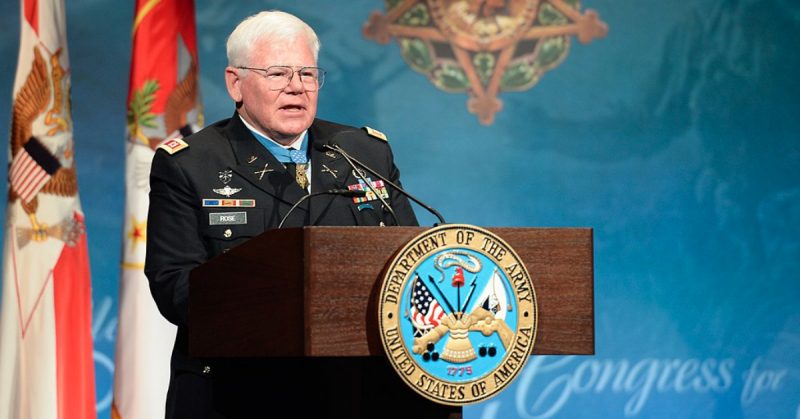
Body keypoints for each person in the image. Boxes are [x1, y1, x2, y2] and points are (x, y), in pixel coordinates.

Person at [145, 10, 434, 419]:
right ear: (235, 83)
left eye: (308, 74)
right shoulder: (191, 165)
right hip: (239, 393)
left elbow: (410, 264)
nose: (296, 88)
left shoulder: (363, 152)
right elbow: (175, 286)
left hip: (357, 392)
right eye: (278, 74)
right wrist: (284, 307)